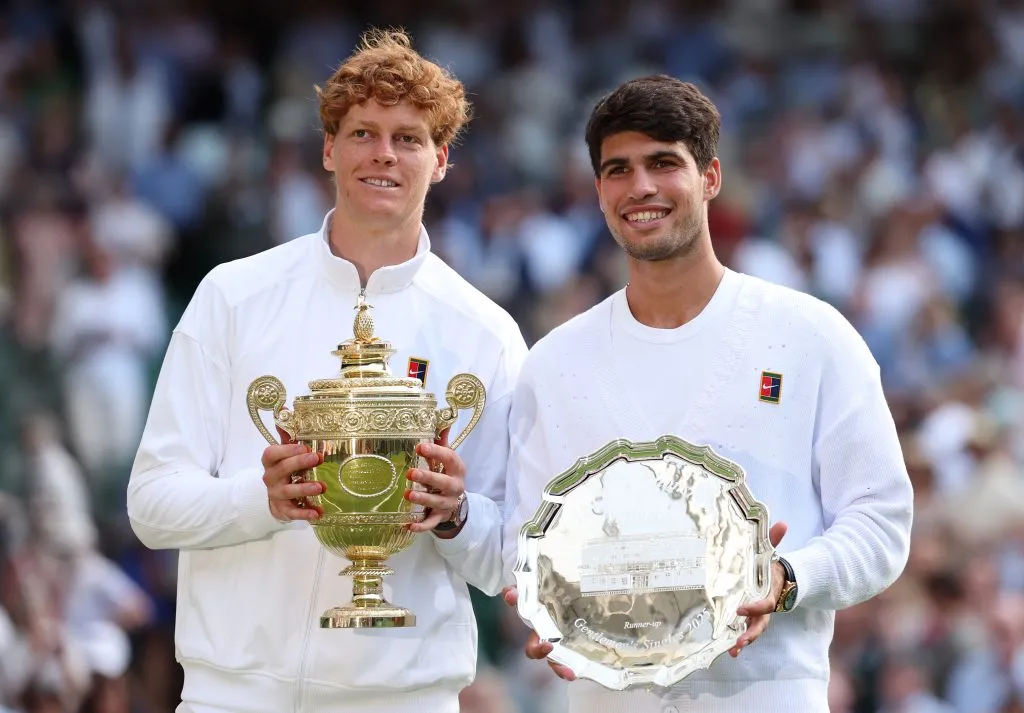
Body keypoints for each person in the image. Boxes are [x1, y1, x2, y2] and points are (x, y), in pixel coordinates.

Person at [126, 29, 526, 713]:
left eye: (408, 138)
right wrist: (265, 499)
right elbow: (152, 504)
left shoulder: (486, 333)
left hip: (404, 697)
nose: (383, 154)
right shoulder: (232, 295)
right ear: (328, 149)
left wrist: (455, 514)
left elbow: (512, 559)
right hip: (232, 695)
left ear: (441, 160)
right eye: (364, 132)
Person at [501, 75, 914, 713]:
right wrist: (541, 601)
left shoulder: (810, 337)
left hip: (765, 695)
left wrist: (786, 579)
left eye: (664, 163)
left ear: (711, 177)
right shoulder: (552, 365)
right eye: (619, 170)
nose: (640, 188)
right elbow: (529, 541)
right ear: (599, 192)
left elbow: (881, 524)